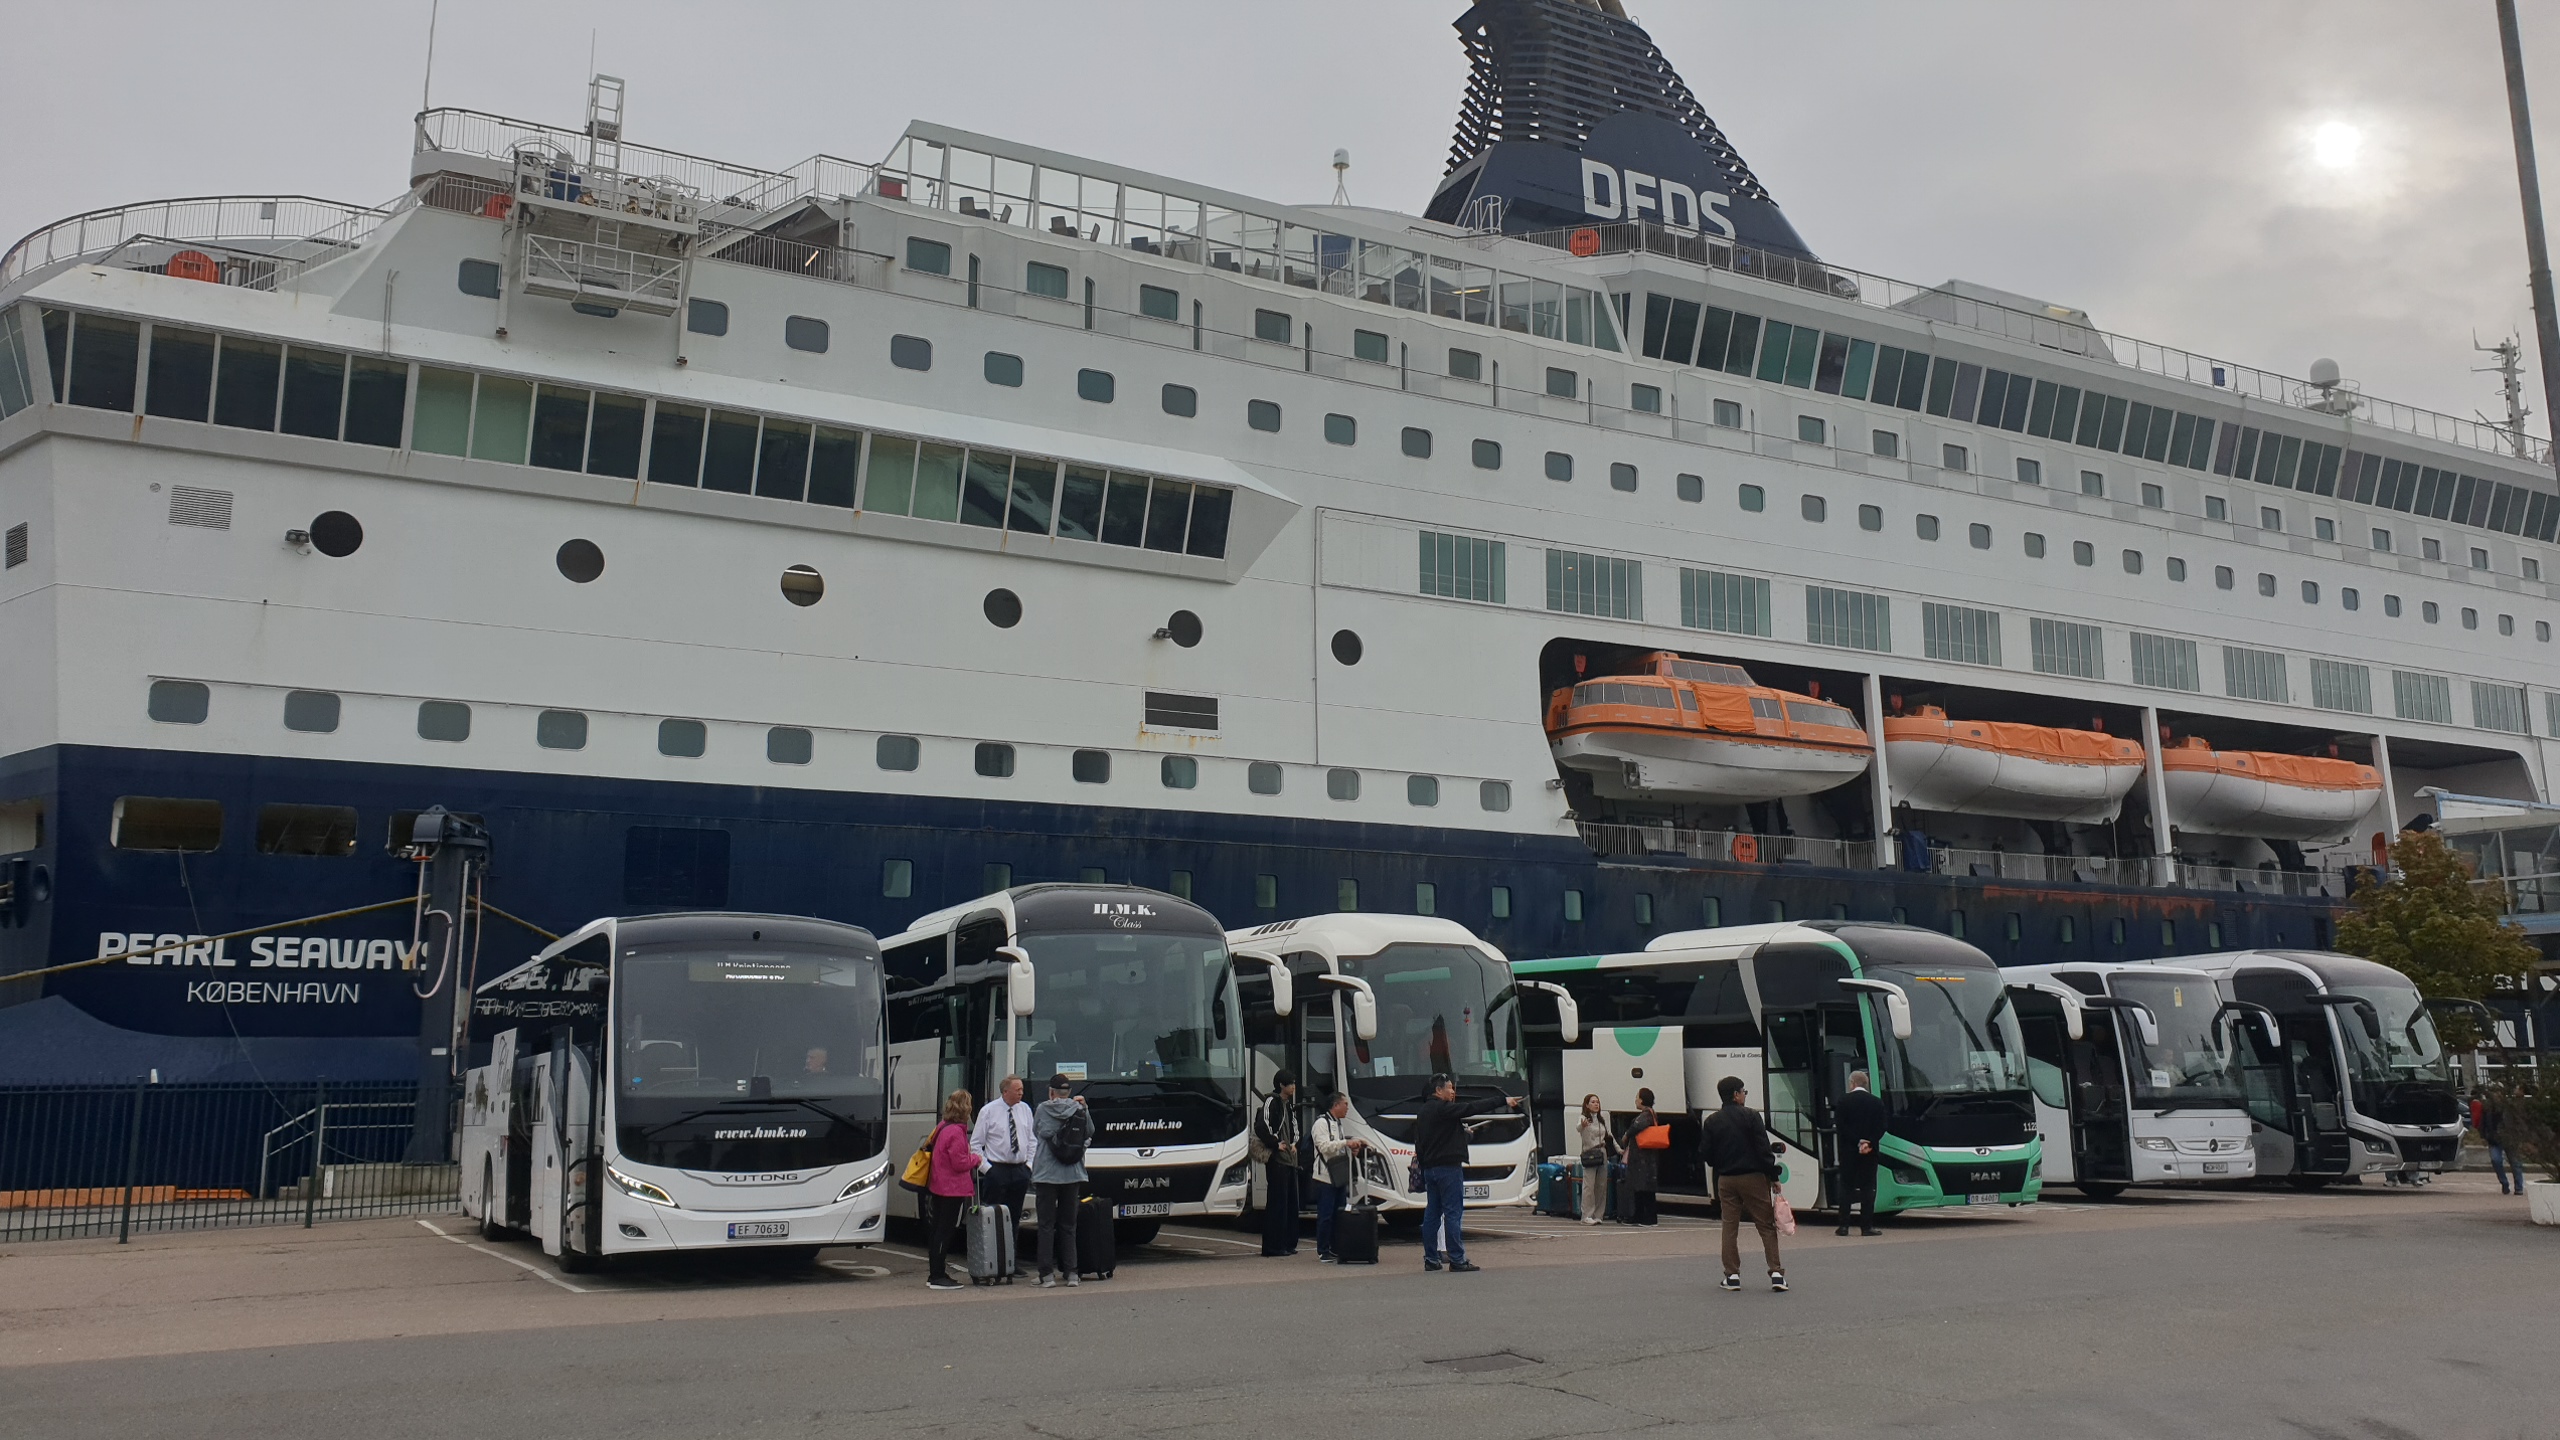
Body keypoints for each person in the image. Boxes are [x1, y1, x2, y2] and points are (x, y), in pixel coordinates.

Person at [1412, 1073, 1523, 1272]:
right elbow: (1472, 1107)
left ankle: (1431, 1258)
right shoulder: (1443, 1108)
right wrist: (1502, 1100)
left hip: (1430, 1168)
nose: (1453, 1092)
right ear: (1438, 1090)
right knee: (1453, 1213)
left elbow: (1422, 1142)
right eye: (1449, 1088)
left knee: (1432, 1214)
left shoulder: (1423, 1112)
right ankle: (1457, 1259)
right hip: (1448, 1168)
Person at [1702, 1075, 1785, 1293]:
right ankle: (1776, 1273)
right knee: (1765, 1225)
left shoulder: (1712, 1121)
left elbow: (1706, 1154)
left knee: (1730, 1227)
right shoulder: (1751, 1116)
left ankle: (1732, 1276)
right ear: (1736, 1095)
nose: (1744, 1095)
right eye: (1743, 1092)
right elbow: (1763, 1149)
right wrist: (1773, 1176)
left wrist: (1721, 1163)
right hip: (1753, 1177)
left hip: (1726, 1179)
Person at [972, 1074, 1036, 1275]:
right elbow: (976, 1144)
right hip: (997, 1169)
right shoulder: (988, 1111)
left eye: (1022, 1089)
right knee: (993, 1217)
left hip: (1020, 1170)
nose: (1021, 1093)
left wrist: (1029, 1166)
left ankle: (1011, 1262)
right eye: (1018, 1090)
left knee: (1014, 1218)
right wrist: (988, 1169)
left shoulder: (1025, 1109)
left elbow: (1032, 1140)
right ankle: (992, 1261)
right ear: (1005, 1091)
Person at [1031, 1072, 1090, 1287]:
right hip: (1072, 1173)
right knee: (1069, 1225)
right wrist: (1084, 1108)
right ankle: (1072, 1272)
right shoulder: (1079, 1109)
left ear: (1051, 1092)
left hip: (1047, 1174)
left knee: (1046, 1225)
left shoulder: (1042, 1109)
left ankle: (1046, 1275)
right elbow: (1089, 1131)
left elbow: (1036, 1131)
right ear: (1069, 1092)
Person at [924, 1089, 982, 1291]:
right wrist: (976, 1159)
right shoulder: (956, 1132)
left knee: (936, 1230)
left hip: (938, 1185)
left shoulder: (942, 1127)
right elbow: (960, 1163)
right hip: (952, 1188)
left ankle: (936, 1272)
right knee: (945, 1230)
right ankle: (937, 1275)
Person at [1309, 1092, 1365, 1261]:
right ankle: (1323, 1250)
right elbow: (1324, 1146)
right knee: (1325, 1215)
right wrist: (1346, 1143)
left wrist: (1351, 1148)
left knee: (1339, 1214)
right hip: (1325, 1176)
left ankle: (1335, 1247)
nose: (1347, 1108)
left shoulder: (1337, 1123)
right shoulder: (1321, 1123)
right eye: (1345, 1104)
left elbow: (1337, 1147)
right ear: (1335, 1105)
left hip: (1338, 1176)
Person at [1257, 1070, 1304, 1256]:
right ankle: (1273, 1246)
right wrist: (1275, 1143)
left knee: (1290, 1204)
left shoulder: (1288, 1105)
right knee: (1278, 1204)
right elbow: (1262, 1125)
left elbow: (1294, 1128)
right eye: (1290, 1083)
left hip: (1290, 1160)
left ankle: (1288, 1243)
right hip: (1277, 1160)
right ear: (1281, 1085)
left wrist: (1294, 1143)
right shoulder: (1271, 1101)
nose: (1293, 1087)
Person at [1835, 1069, 1887, 1236]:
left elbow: (1841, 1126)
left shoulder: (1843, 1101)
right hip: (1870, 1152)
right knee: (1868, 1188)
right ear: (1866, 1084)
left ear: (1852, 1083)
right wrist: (1868, 1142)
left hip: (1848, 1151)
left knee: (1846, 1187)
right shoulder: (1876, 1102)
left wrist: (1857, 1141)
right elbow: (1881, 1127)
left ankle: (1844, 1226)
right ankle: (1866, 1226)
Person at [1574, 1093, 1617, 1226]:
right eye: (1592, 1102)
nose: (1596, 1104)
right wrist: (1583, 1125)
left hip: (1602, 1151)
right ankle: (1586, 1215)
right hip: (1590, 1152)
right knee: (1589, 1185)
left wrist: (1618, 1149)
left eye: (1597, 1102)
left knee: (1601, 1185)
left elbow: (1609, 1135)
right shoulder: (1583, 1118)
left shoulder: (1601, 1120)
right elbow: (1578, 1127)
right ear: (1587, 1105)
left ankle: (1598, 1215)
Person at [1621, 1087, 1661, 1225]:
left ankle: (1648, 1218)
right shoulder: (1651, 1114)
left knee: (1644, 1188)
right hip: (1645, 1158)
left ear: (1643, 1100)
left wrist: (1627, 1135)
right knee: (1640, 1188)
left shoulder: (1646, 1114)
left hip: (1643, 1159)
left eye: (1637, 1097)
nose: (1636, 1100)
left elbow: (1637, 1126)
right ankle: (1638, 1216)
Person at [2482, 1087, 2526, 1197]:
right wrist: (2484, 1136)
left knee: (2515, 1163)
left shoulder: (2510, 1107)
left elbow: (2519, 1121)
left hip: (2510, 1139)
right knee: (2496, 1160)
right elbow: (2483, 1122)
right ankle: (2504, 1183)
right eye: (2494, 1093)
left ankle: (2519, 1187)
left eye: (2498, 1093)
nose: (2496, 1096)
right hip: (2494, 1139)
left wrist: (2519, 1136)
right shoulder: (2488, 1107)